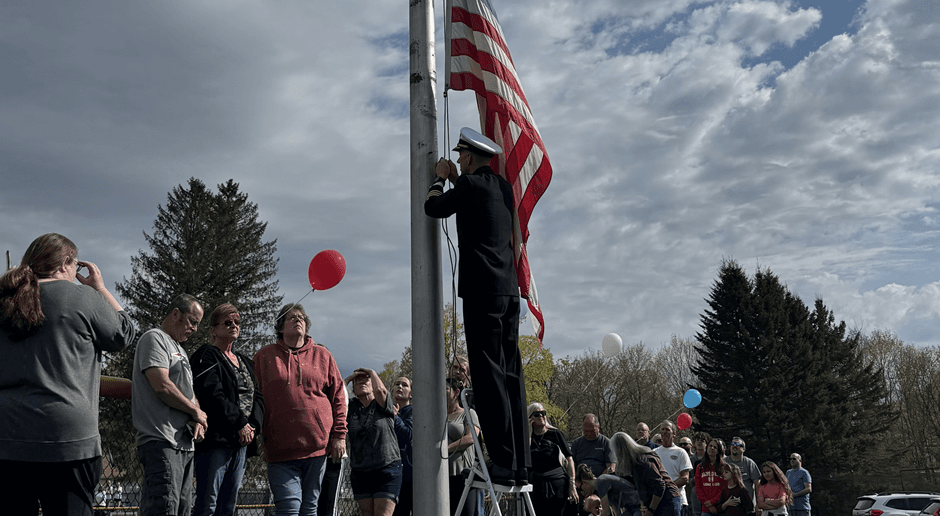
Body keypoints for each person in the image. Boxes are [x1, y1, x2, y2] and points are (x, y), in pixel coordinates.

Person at [0, 233, 136, 516]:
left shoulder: (4, 300)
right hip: (66, 439)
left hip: (8, 436)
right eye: (75, 265)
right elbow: (124, 333)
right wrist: (99, 288)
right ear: (65, 263)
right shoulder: (82, 298)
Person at [425, 127, 530, 484]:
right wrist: (459, 179)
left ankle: (502, 461)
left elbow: (433, 207)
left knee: (488, 376)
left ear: (468, 158)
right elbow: (476, 196)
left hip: (482, 292)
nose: (457, 161)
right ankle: (521, 462)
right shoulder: (501, 186)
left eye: (459, 157)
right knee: (511, 373)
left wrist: (441, 179)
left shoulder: (469, 186)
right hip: (508, 292)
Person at [253, 304, 347, 516]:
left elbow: (339, 397)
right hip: (279, 450)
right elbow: (251, 396)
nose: (298, 320)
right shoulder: (264, 357)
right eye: (291, 317)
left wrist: (339, 435)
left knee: (309, 509)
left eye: (301, 317)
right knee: (288, 509)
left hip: (317, 448)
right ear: (280, 327)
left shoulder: (323, 356)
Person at [132, 293, 207, 516]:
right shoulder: (154, 338)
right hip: (162, 441)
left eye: (198, 324)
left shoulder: (180, 350)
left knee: (181, 510)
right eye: (192, 321)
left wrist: (197, 416)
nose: (194, 329)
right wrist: (195, 411)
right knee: (164, 509)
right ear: (176, 314)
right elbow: (162, 385)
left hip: (184, 444)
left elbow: (188, 391)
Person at [191, 303, 265, 516]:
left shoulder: (245, 361)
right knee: (208, 504)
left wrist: (252, 426)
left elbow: (258, 397)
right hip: (216, 441)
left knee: (228, 506)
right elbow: (212, 394)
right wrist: (239, 423)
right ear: (213, 330)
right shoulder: (207, 356)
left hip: (241, 442)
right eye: (227, 322)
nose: (234, 325)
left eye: (237, 322)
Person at [345, 368, 402, 516]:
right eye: (357, 381)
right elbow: (337, 396)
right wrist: (349, 378)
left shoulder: (382, 404)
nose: (361, 382)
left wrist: (372, 372)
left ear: (373, 385)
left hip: (386, 468)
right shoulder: (352, 407)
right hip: (360, 471)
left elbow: (380, 391)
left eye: (366, 380)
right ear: (353, 389)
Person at [611, 432, 682, 516]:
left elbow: (659, 485)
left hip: (667, 500)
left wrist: (651, 510)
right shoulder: (634, 463)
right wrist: (644, 506)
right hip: (655, 501)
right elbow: (641, 487)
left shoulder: (644, 460)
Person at [528, 402, 577, 516]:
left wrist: (572, 485)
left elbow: (569, 459)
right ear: (530, 418)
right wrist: (528, 433)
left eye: (543, 413)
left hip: (557, 483)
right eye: (536, 414)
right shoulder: (528, 438)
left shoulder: (555, 434)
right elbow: (525, 454)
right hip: (536, 485)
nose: (541, 416)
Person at [444, 377, 483, 516]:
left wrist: (446, 449)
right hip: (443, 477)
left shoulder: (468, 413)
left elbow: (471, 438)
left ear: (456, 392)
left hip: (464, 476)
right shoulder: (437, 416)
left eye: (445, 389)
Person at [653, 422, 692, 516]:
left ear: (674, 434)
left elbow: (685, 478)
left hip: (677, 499)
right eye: (662, 429)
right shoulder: (654, 453)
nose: (664, 432)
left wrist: (666, 488)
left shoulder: (681, 452)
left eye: (667, 429)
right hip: (657, 501)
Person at [575, 464, 641, 516]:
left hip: (638, 506)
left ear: (584, 482)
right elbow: (616, 512)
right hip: (632, 508)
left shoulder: (601, 482)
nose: (582, 492)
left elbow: (604, 512)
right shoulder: (603, 485)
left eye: (580, 488)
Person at [392, 377, 414, 516]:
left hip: (408, 474)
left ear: (411, 394)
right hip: (390, 472)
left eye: (404, 385)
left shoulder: (413, 411)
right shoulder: (386, 411)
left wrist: (395, 416)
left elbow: (408, 434)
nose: (400, 386)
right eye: (397, 384)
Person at [724, 437, 760, 506]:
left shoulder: (749, 463)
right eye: (732, 444)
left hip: (746, 504)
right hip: (728, 503)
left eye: (737, 444)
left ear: (743, 449)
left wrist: (758, 504)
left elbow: (757, 484)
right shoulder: (724, 462)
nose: (734, 446)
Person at [693, 439, 725, 516]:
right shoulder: (700, 467)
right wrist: (708, 504)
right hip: (706, 509)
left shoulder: (724, 467)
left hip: (721, 507)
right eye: (710, 446)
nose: (712, 448)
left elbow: (725, 488)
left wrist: (712, 502)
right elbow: (698, 488)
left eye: (715, 447)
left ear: (718, 451)